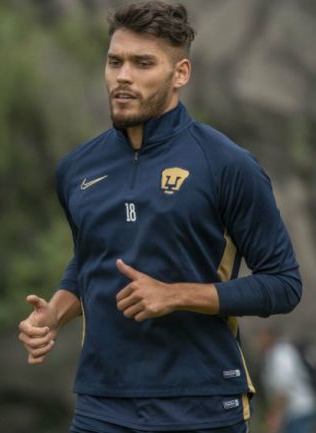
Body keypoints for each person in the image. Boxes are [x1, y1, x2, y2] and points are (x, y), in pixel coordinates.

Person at [18, 2, 302, 432]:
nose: (123, 76)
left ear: (180, 73)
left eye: (142, 63)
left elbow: (284, 284)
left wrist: (176, 295)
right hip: (101, 404)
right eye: (115, 61)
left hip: (202, 403)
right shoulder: (76, 168)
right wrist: (55, 312)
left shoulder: (227, 164)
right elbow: (90, 260)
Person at [259, 327, 316, 433]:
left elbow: (283, 389)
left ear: (270, 338)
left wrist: (275, 415)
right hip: (298, 409)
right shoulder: (281, 352)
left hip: (298, 410)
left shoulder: (279, 355)